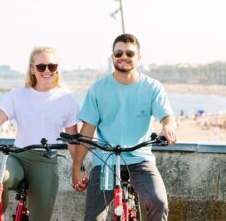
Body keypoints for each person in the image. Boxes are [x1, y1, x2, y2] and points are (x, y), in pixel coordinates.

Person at [0, 46, 79, 221]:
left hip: (45, 162)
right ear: (32, 69)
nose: (47, 71)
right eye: (41, 66)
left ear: (57, 68)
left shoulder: (67, 99)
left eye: (51, 66)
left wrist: (79, 168)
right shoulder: (17, 95)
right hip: (18, 158)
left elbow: (73, 140)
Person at [71, 33, 177, 221]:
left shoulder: (152, 87)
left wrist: (167, 128)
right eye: (118, 53)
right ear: (112, 57)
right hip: (106, 160)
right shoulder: (98, 89)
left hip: (140, 159)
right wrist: (77, 167)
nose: (124, 57)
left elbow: (168, 118)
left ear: (138, 57)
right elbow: (87, 131)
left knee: (158, 203)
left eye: (129, 53)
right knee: (93, 218)